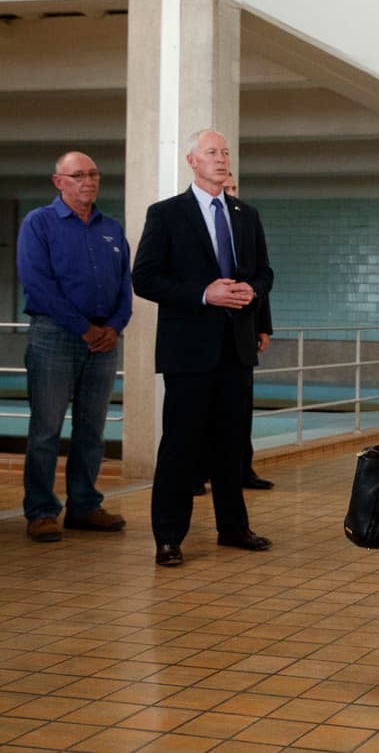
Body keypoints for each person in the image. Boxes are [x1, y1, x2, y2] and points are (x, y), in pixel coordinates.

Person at [132, 129, 275, 567]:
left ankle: (233, 527)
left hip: (236, 348)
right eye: (212, 152)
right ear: (192, 161)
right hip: (189, 349)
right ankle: (169, 537)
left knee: (232, 443)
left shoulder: (245, 214)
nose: (221, 158)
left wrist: (251, 290)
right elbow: (145, 278)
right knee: (181, 445)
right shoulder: (167, 214)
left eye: (225, 152)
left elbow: (265, 273)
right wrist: (203, 294)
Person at [16, 151, 131, 543]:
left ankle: (84, 506)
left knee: (92, 431)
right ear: (58, 182)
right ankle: (42, 511)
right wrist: (84, 329)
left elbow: (125, 287)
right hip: (55, 337)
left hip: (103, 341)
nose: (88, 181)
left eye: (93, 174)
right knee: (46, 429)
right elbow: (38, 285)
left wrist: (114, 327)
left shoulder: (112, 228)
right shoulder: (39, 224)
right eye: (78, 175)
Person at [192, 173, 274, 495]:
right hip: (201, 336)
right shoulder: (191, 223)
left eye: (231, 191)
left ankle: (242, 469)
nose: (228, 196)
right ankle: (196, 473)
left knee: (239, 413)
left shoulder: (246, 220)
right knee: (199, 414)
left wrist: (263, 326)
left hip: (240, 335)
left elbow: (258, 281)